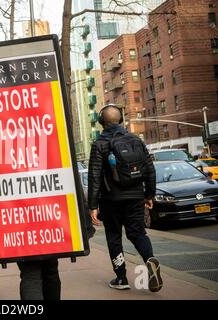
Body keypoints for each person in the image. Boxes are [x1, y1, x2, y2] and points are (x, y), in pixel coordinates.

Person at [88, 104, 163, 292]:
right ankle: (149, 260)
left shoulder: (99, 144)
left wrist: (93, 205)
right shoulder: (136, 140)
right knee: (137, 233)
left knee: (114, 236)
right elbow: (150, 169)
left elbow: (94, 176)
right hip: (136, 196)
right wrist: (149, 195)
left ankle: (121, 278)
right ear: (120, 120)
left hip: (111, 199)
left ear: (101, 123)